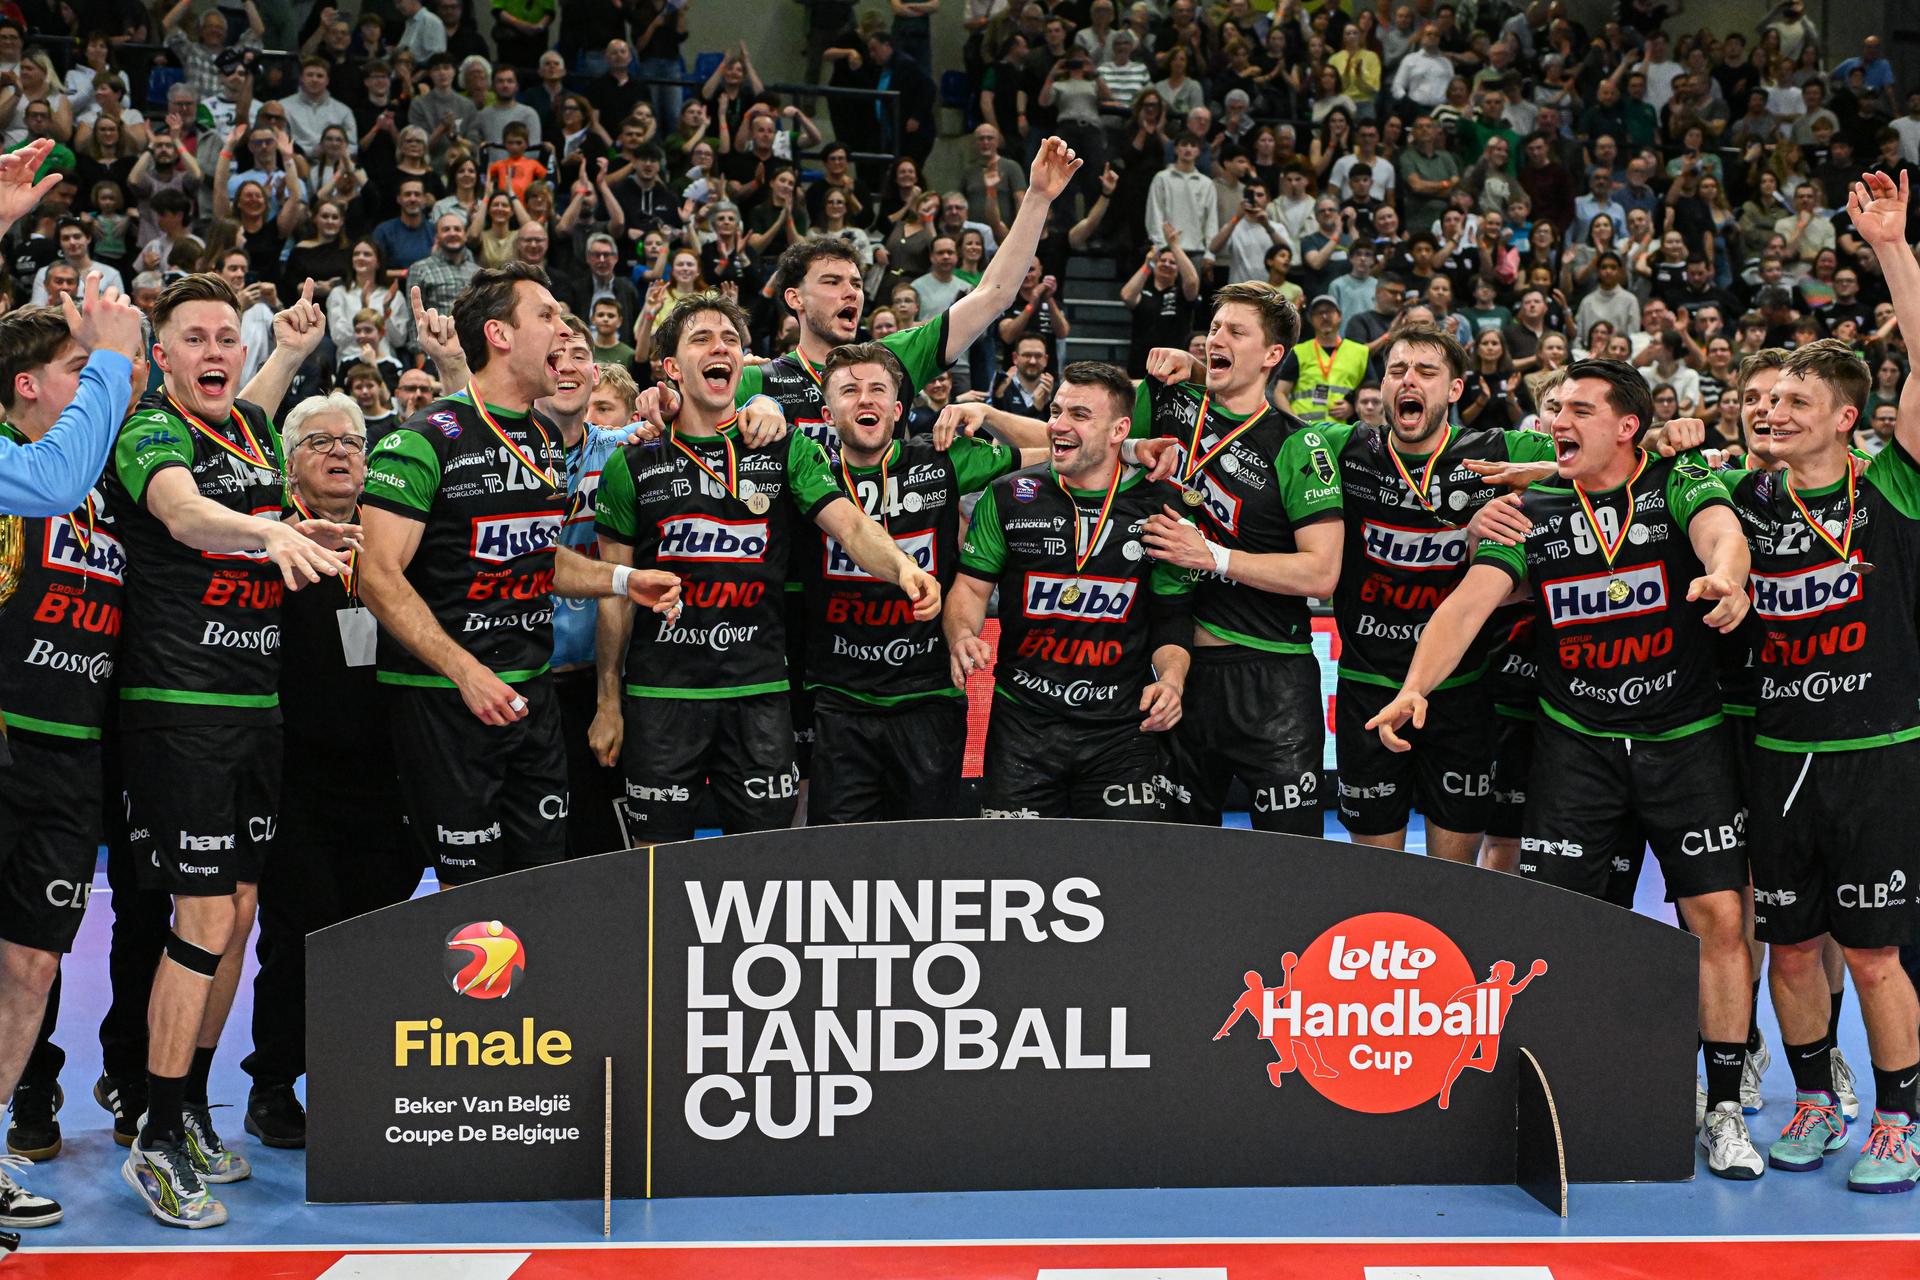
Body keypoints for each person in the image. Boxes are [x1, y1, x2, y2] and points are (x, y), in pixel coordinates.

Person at [1372, 358, 1762, 1179]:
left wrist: (1727, 574)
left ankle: (1724, 1106)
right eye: (1554, 408)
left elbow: (1719, 532)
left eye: (1579, 408)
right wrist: (1415, 687)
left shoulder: (1677, 480)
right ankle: (1571, 1091)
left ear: (1627, 426)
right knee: (1561, 928)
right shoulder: (1535, 508)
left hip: (1683, 738)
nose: (1558, 420)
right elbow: (1468, 604)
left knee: (1720, 920)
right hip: (1575, 744)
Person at [101, 274, 347, 1229]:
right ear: (160, 355)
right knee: (201, 914)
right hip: (178, 705)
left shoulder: (246, 427)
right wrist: (270, 532)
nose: (212, 349)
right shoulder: (149, 431)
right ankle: (155, 1135)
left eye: (223, 337)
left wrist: (288, 349)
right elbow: (183, 515)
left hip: (254, 706)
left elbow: (245, 464)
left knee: (237, 912)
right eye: (192, 337)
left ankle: (191, 1104)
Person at [357, 264, 684, 892]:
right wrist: (464, 671)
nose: (563, 330)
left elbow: (540, 555)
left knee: (541, 884)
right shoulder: (423, 439)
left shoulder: (541, 438)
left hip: (529, 695)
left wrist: (622, 580)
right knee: (468, 895)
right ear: (500, 335)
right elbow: (376, 575)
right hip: (448, 703)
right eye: (547, 316)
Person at [591, 293, 938, 842]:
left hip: (760, 695)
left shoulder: (785, 448)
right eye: (702, 339)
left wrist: (902, 569)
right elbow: (614, 592)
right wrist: (608, 699)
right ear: (671, 369)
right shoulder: (632, 460)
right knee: (654, 867)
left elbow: (849, 525)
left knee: (763, 865)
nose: (720, 347)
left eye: (731, 339)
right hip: (663, 697)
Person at [1739, 173, 1920, 1191]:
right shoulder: (1743, 494)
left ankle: (1901, 1119)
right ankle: (1814, 1096)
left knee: (1874, 955)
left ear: (1847, 416)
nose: (1772, 409)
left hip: (1879, 750)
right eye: (1764, 399)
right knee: (1795, 951)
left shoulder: (1893, 480)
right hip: (1780, 753)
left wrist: (1892, 247)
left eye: (1795, 400)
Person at [237, 391, 418, 1151]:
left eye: (351, 440)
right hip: (296, 776)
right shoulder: (264, 541)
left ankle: (356, 1077)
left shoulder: (399, 541)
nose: (340, 452)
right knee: (300, 932)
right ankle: (273, 1082)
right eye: (317, 442)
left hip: (393, 775)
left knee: (378, 934)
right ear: (288, 463)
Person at [0, 291, 144, 1227]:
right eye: (73, 370)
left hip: (71, 751)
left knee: (33, 969)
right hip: (7, 730)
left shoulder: (98, 480)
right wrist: (112, 355)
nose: (92, 381)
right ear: (26, 385)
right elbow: (51, 477)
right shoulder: (23, 468)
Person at [1309, 326, 1558, 863]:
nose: (1408, 381)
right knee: (1377, 875)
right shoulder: (1339, 446)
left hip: (1461, 692)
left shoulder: (1498, 452)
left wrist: (1546, 468)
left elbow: (1608, 455)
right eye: (1397, 370)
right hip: (1367, 685)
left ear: (1454, 390)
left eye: (1426, 372)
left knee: (1454, 879)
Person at [1131, 283, 1344, 832]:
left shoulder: (1300, 445)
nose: (1215, 338)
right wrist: (984, 413)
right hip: (1177, 670)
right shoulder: (1170, 401)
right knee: (1177, 861)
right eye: (1216, 327)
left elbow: (1321, 572)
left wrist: (1215, 557)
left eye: (1236, 331)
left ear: (1273, 356)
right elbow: (1079, 431)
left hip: (1273, 679)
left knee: (1291, 866)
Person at [799, 344, 1044, 823]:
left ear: (897, 409)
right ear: (828, 413)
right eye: (849, 391)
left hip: (930, 699)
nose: (864, 400)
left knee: (927, 859)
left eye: (877, 390)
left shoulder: (942, 459)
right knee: (838, 862)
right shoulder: (808, 472)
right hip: (841, 702)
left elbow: (1062, 448)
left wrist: (989, 410)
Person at [949, 361, 1194, 818]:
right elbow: (970, 587)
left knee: (1125, 875)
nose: (1058, 425)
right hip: (1022, 725)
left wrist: (1173, 683)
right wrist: (963, 635)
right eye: (1057, 411)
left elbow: (1172, 616)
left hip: (1121, 731)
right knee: (1015, 873)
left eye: (1079, 415)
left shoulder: (1161, 507)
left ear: (1121, 429)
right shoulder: (1007, 494)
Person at [1275, 294, 1369, 419]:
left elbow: (1371, 390)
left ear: (1339, 316)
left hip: (1344, 431)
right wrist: (1295, 423)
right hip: (1305, 432)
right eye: (1318, 313)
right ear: (1310, 319)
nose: (1324, 317)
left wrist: (1353, 406)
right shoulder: (1299, 351)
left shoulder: (1360, 352)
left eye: (1329, 312)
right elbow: (1279, 393)